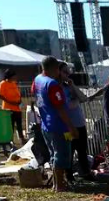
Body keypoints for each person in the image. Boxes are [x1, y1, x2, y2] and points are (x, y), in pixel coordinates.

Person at [32, 56, 79, 191]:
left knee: (54, 154)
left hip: (46, 124)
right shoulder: (52, 84)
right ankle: (59, 184)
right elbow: (60, 109)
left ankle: (57, 183)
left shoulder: (37, 80)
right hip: (58, 126)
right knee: (62, 154)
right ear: (54, 69)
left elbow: (35, 97)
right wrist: (71, 127)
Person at [59, 62, 95, 181]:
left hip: (79, 124)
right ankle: (68, 176)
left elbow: (83, 98)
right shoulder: (57, 88)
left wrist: (73, 86)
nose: (68, 74)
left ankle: (85, 172)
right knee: (69, 151)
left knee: (82, 150)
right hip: (68, 126)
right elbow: (68, 106)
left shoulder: (69, 86)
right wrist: (74, 101)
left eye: (68, 71)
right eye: (65, 71)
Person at [0, 69, 25, 144]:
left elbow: (18, 93)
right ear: (9, 76)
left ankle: (22, 139)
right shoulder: (3, 83)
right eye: (13, 76)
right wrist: (11, 102)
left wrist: (19, 101)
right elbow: (0, 95)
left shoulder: (14, 83)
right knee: (10, 125)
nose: (15, 77)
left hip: (17, 108)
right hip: (8, 109)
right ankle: (11, 140)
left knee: (19, 124)